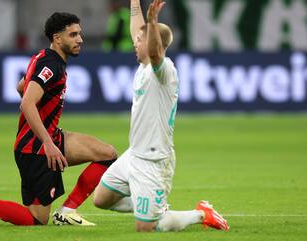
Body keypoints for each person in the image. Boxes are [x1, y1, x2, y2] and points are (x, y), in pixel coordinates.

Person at [0, 12, 117, 227]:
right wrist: (47, 143)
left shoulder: (43, 58)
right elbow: (26, 103)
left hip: (46, 138)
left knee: (107, 154)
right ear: (57, 38)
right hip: (36, 149)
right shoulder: (51, 67)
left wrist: (47, 124)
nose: (80, 40)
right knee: (36, 219)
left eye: (80, 34)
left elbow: (21, 87)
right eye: (73, 35)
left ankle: (67, 211)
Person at [93, 0, 229, 232]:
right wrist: (135, 2)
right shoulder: (144, 65)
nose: (135, 42)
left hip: (154, 161)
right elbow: (138, 30)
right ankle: (153, 206)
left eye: (140, 40)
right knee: (101, 199)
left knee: (147, 228)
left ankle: (200, 213)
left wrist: (153, 22)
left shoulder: (164, 70)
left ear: (153, 43)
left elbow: (155, 52)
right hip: (134, 155)